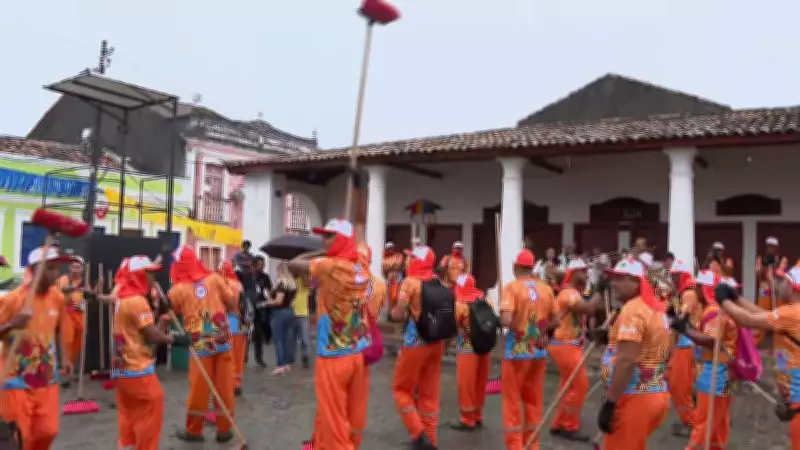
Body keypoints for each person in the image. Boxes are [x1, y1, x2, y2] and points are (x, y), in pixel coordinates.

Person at [287, 218, 370, 450]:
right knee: (351, 413)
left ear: (341, 239)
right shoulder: (362, 264)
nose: (323, 240)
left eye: (329, 236)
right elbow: (361, 244)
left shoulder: (328, 266)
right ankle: (319, 444)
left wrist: (320, 252)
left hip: (333, 355)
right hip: (358, 351)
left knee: (333, 417)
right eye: (323, 236)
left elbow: (293, 264)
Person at [112, 255, 191, 450]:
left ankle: (127, 445)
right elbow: (152, 337)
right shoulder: (137, 301)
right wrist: (176, 339)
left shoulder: (123, 298)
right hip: (137, 368)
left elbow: (145, 334)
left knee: (129, 413)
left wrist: (162, 318)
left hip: (122, 369)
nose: (153, 278)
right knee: (151, 409)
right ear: (138, 275)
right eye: (149, 273)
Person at [717, 266, 800, 448]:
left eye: (784, 281)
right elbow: (762, 315)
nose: (780, 284)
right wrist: (736, 299)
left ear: (793, 287)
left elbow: (748, 320)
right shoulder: (791, 312)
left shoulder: (793, 313)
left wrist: (724, 301)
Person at [0, 246, 74, 449]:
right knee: (20, 436)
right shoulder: (13, 299)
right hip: (15, 380)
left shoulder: (57, 298)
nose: (55, 274)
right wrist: (12, 324)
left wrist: (65, 358)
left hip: (46, 377)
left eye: (57, 268)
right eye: (50, 268)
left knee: (48, 431)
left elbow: (60, 329)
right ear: (34, 269)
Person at [596, 257, 671, 450]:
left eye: (621, 279)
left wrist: (610, 403)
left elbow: (626, 361)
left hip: (635, 398)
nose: (614, 284)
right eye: (613, 278)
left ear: (637, 282)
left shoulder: (633, 310)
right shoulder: (655, 307)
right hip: (654, 394)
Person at [168, 245, 237, 443]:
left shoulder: (178, 289)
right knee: (225, 388)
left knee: (199, 390)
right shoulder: (215, 279)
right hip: (223, 341)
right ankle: (224, 430)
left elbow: (166, 311)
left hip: (200, 346)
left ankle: (194, 431)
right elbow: (232, 304)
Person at [670, 270, 738, 450]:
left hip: (716, 372)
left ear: (703, 289)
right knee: (718, 421)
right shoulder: (713, 310)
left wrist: (685, 330)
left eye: (698, 286)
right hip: (721, 371)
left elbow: (711, 340)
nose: (695, 290)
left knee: (705, 421)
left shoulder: (714, 311)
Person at [499, 249, 559, 450]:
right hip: (539, 352)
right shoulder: (546, 289)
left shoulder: (511, 288)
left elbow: (506, 320)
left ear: (516, 267)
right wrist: (540, 330)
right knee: (533, 400)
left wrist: (507, 321)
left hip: (516, 352)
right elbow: (556, 320)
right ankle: (533, 445)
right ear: (532, 268)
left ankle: (515, 446)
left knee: (512, 401)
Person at [390, 245, 445, 450]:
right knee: (429, 393)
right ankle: (431, 439)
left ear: (417, 261)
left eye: (411, 258)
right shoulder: (438, 282)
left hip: (415, 344)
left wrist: (395, 304)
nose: (408, 261)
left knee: (401, 390)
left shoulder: (410, 283)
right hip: (436, 343)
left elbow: (397, 314)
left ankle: (418, 434)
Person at [549, 258, 603, 441]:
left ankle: (559, 423)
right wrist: (598, 288)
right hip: (565, 346)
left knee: (567, 387)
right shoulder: (568, 293)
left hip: (569, 345)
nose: (586, 275)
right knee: (580, 385)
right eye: (584, 271)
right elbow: (589, 308)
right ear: (574, 273)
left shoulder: (574, 292)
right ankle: (569, 426)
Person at [450, 273, 490, 432]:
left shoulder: (460, 305)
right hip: (485, 346)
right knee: (480, 380)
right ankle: (477, 415)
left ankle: (467, 419)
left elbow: (452, 327)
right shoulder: (485, 300)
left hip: (468, 347)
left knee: (466, 382)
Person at [666, 260, 700, 436]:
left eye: (675, 276)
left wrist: (674, 317)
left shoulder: (688, 293)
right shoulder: (682, 293)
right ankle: (695, 419)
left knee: (679, 386)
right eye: (671, 275)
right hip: (683, 344)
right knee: (683, 385)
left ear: (683, 276)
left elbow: (683, 315)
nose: (672, 279)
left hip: (686, 346)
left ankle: (692, 423)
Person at [56, 255, 93, 384]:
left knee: (77, 346)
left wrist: (92, 291)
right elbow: (63, 289)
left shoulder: (85, 282)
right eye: (73, 267)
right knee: (67, 343)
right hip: (67, 316)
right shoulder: (64, 279)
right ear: (69, 267)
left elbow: (90, 297)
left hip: (80, 316)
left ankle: (70, 372)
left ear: (82, 269)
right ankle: (66, 373)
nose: (76, 269)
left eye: (78, 267)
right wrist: (75, 288)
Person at [219, 260, 247, 396]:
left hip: (226, 323)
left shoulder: (221, 284)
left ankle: (227, 383)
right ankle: (237, 384)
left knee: (226, 356)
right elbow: (243, 305)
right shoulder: (239, 285)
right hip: (239, 324)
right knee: (239, 356)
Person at [239, 255, 273, 368]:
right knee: (245, 333)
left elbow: (269, 290)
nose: (263, 267)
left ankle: (259, 359)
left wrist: (269, 299)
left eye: (264, 265)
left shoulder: (265, 277)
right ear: (253, 265)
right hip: (247, 307)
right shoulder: (244, 276)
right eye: (260, 265)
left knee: (258, 334)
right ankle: (243, 357)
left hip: (259, 308)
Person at [267, 263, 298, 375]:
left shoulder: (281, 284)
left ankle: (280, 365)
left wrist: (268, 301)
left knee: (278, 339)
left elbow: (278, 301)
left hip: (280, 313)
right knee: (286, 339)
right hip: (290, 311)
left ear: (281, 271)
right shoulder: (293, 284)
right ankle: (286, 364)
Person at [290, 272, 312, 369]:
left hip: (302, 314)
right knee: (291, 339)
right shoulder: (289, 280)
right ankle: (290, 359)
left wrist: (303, 271)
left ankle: (305, 357)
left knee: (305, 339)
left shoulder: (304, 280)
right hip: (290, 313)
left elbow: (308, 283)